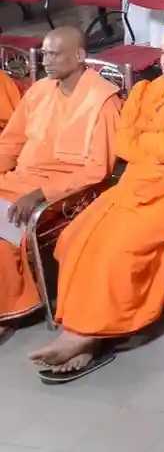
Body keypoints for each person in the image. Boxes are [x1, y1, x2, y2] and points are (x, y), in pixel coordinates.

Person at [26, 27, 164, 382]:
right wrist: (151, 147)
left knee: (118, 247)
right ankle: (80, 330)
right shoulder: (152, 90)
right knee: (77, 236)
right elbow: (124, 143)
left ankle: (88, 336)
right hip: (137, 183)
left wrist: (146, 143)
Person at [0, 28, 121, 340]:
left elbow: (98, 171)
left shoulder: (103, 100)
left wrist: (40, 194)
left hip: (62, 196)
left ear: (79, 56)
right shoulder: (39, 91)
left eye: (53, 54)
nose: (45, 61)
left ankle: (9, 310)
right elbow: (11, 142)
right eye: (44, 53)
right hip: (18, 181)